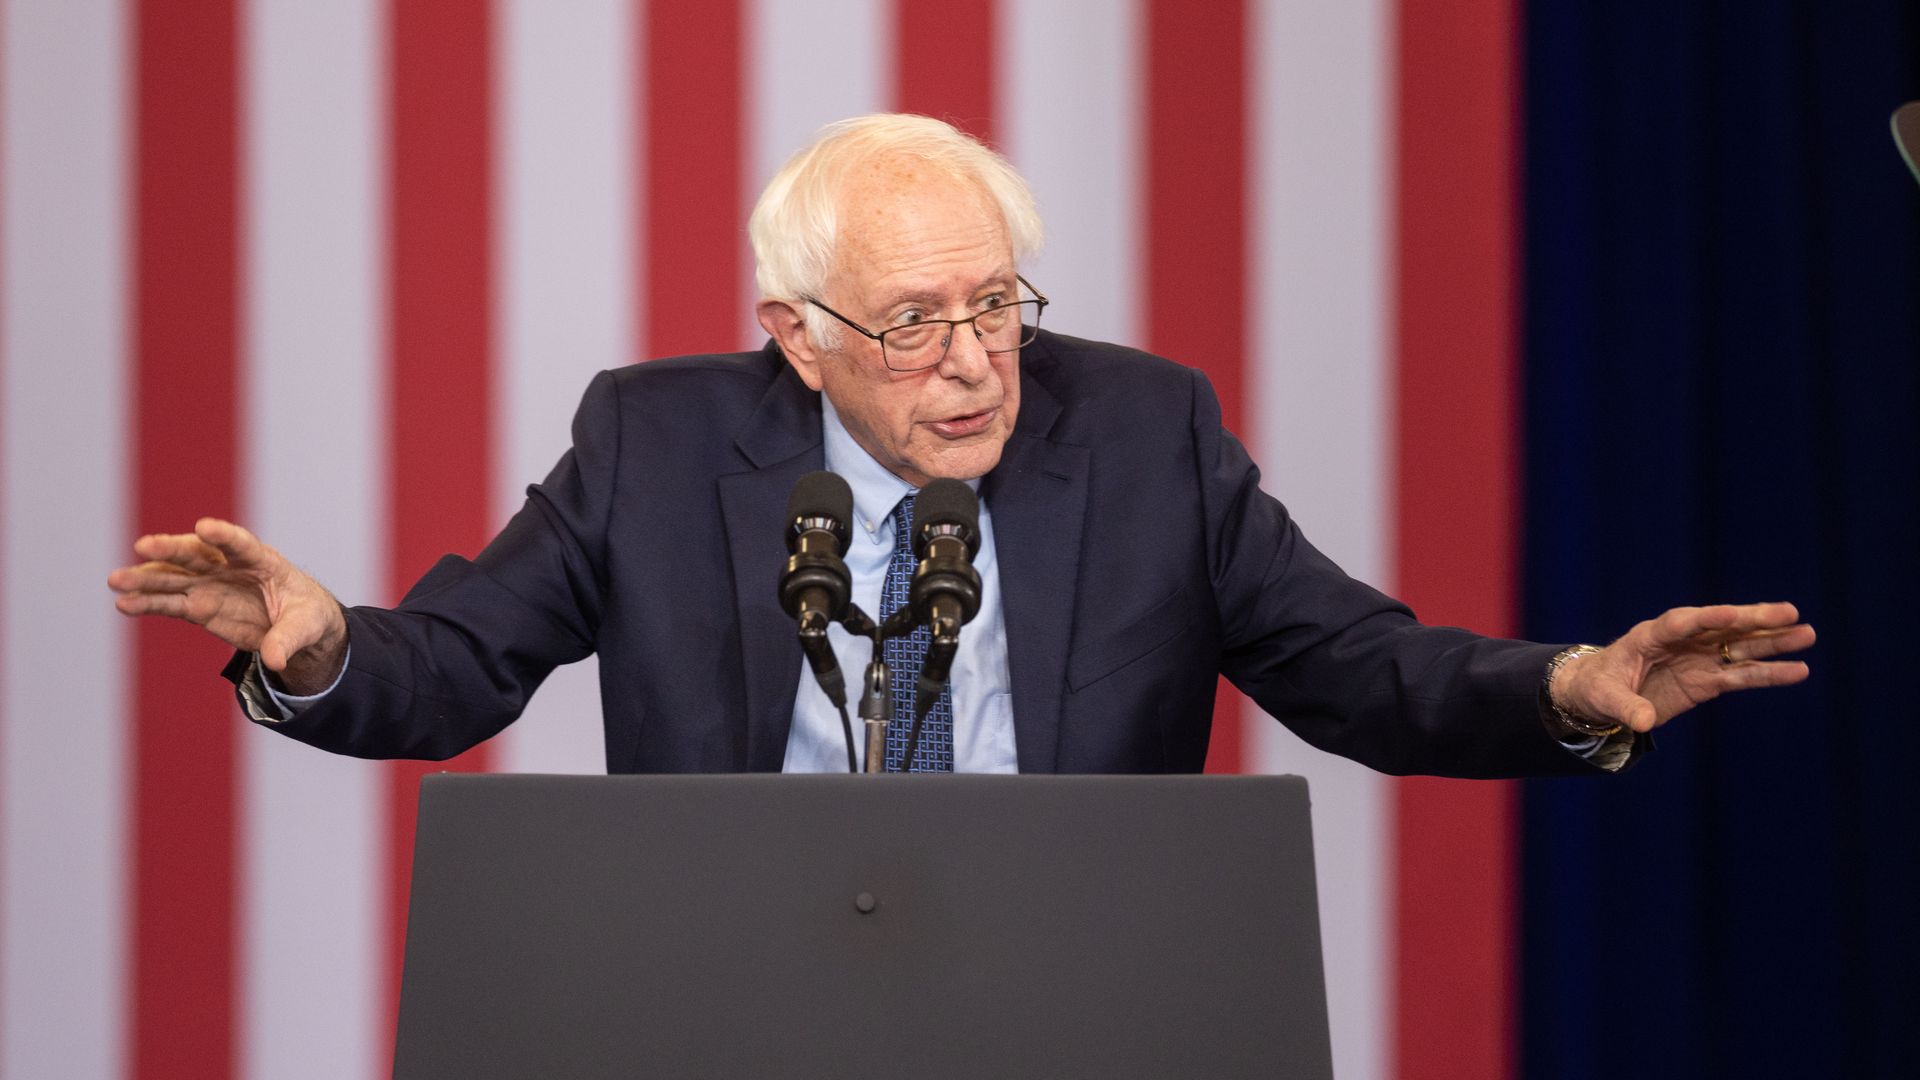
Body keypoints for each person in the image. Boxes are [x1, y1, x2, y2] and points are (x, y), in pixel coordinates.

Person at [106, 114, 1813, 776]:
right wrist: (320, 647)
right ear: (798, 334)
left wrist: (1571, 687)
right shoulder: (654, 439)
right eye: (912, 323)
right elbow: (462, 662)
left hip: (1077, 985)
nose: (976, 363)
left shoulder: (1145, 430)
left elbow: (1359, 665)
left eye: (998, 305)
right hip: (727, 989)